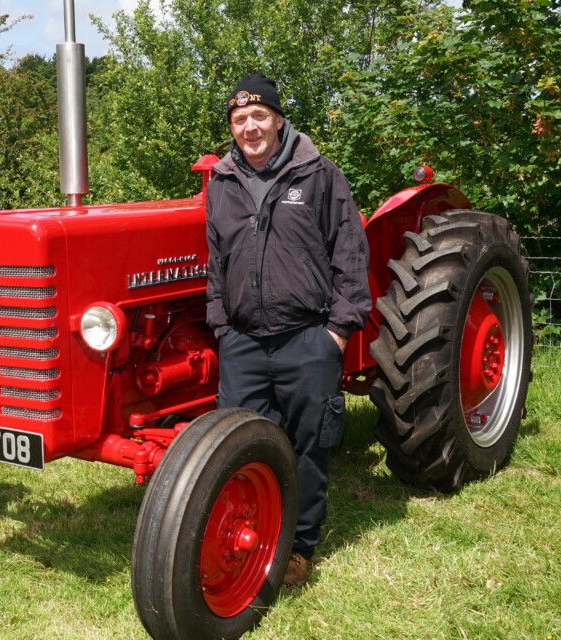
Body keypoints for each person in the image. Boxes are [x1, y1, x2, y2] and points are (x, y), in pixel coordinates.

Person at [205, 73, 372, 588]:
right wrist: (222, 328)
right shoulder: (223, 183)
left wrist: (337, 333)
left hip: (308, 338)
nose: (250, 127)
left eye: (259, 116)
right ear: (231, 129)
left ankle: (298, 548)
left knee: (308, 446)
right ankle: (249, 537)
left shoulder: (320, 175)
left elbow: (350, 255)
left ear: (278, 119)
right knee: (242, 447)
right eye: (239, 120)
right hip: (245, 342)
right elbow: (215, 262)